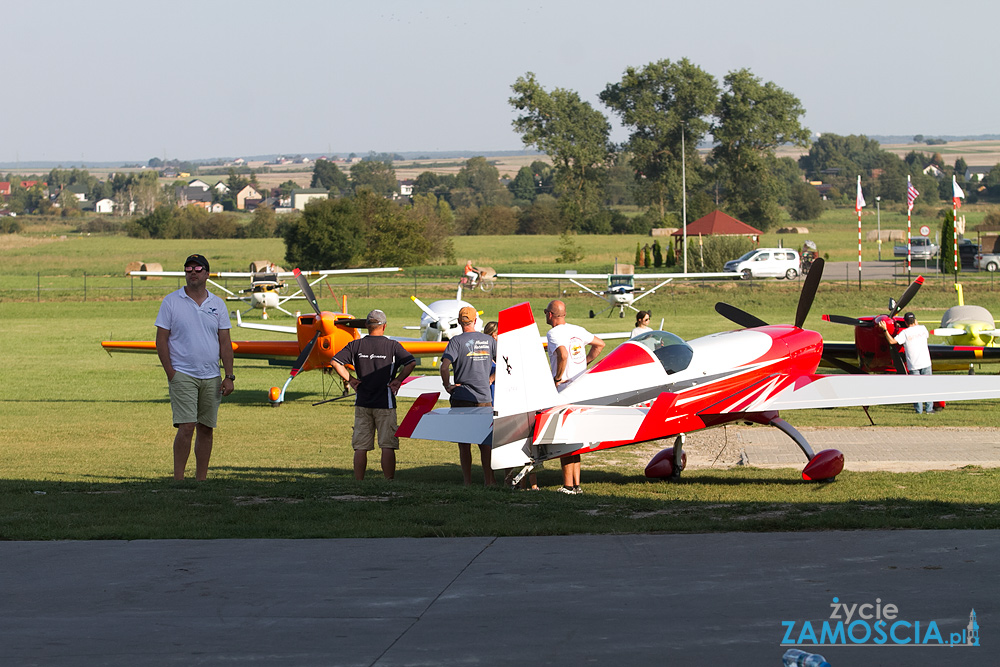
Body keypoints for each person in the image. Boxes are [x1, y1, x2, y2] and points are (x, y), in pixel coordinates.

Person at [154, 254, 234, 481]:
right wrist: (171, 372)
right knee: (187, 426)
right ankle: (178, 479)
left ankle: (201, 480)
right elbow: (161, 339)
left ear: (207, 274)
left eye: (198, 268)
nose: (193, 272)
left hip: (211, 376)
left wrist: (228, 376)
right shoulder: (171, 301)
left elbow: (225, 342)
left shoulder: (217, 304)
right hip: (183, 374)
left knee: (206, 428)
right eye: (188, 269)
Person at [331, 310, 417, 480]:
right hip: (385, 403)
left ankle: (359, 481)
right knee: (387, 444)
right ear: (384, 326)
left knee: (361, 446)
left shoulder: (355, 345)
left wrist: (351, 379)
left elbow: (335, 361)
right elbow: (410, 362)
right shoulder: (392, 346)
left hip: (363, 402)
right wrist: (398, 380)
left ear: (366, 326)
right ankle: (389, 480)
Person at [544, 300, 605, 494]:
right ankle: (577, 485)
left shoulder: (553, 333)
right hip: (581, 387)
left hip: (566, 389)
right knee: (576, 437)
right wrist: (585, 362)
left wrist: (558, 377)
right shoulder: (577, 329)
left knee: (565, 437)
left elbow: (562, 355)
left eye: (546, 312)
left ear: (551, 315)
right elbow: (600, 344)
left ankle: (568, 486)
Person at [440, 307, 497, 486]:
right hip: (484, 398)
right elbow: (505, 363)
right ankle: (489, 480)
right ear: (476, 321)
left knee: (464, 443)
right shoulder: (489, 340)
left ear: (459, 322)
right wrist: (490, 379)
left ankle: (467, 481)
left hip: (462, 397)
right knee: (485, 443)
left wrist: (447, 385)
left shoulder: (456, 341)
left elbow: (444, 367)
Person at [879, 312, 934, 414]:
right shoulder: (923, 329)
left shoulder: (904, 333)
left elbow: (891, 342)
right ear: (915, 320)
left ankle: (919, 411)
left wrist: (885, 329)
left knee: (916, 389)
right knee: (928, 387)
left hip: (914, 365)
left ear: (905, 322)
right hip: (926, 362)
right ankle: (929, 409)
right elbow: (920, 330)